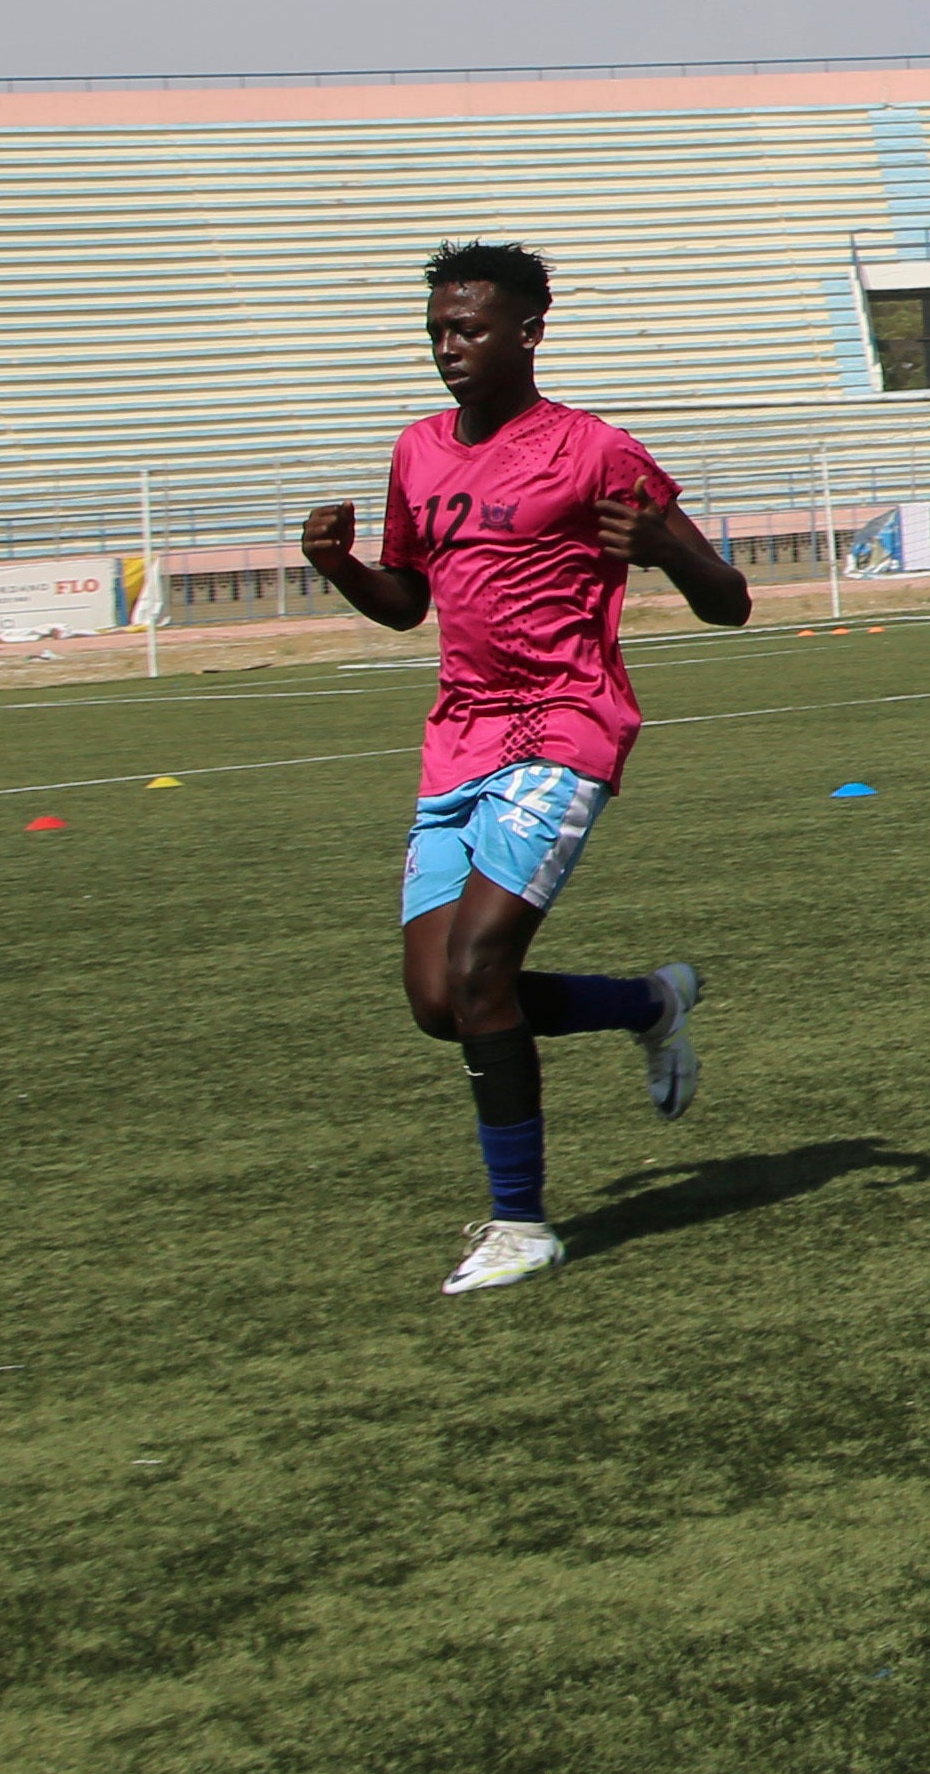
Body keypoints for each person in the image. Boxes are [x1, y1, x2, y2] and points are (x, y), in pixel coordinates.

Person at [299, 242, 753, 1294]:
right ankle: (649, 1004)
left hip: (564, 724)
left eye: (469, 331)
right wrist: (340, 570)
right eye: (438, 333)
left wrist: (665, 546)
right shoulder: (417, 452)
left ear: (529, 333)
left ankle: (522, 1223)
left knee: (479, 969)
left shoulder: (595, 451)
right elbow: (409, 602)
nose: (449, 349)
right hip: (457, 735)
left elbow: (728, 599)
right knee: (438, 999)